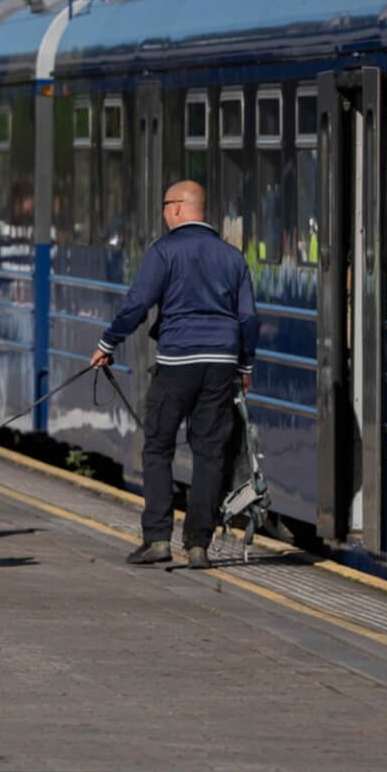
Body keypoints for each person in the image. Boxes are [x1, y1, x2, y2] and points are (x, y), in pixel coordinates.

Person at [89, 180, 256, 570]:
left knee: (158, 447)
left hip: (178, 362)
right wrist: (245, 366)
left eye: (165, 205)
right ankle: (199, 545)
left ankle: (158, 539)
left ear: (179, 208)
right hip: (221, 365)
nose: (164, 213)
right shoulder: (233, 258)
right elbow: (247, 316)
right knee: (210, 453)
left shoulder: (163, 252)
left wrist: (107, 345)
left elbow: (138, 304)